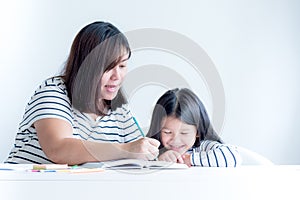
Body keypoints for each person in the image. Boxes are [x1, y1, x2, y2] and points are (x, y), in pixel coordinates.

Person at [5, 21, 159, 165]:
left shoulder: (119, 111)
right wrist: (126, 149)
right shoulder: (54, 91)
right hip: (25, 189)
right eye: (108, 67)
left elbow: (140, 153)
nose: (117, 76)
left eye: (123, 65)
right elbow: (58, 149)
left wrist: (163, 157)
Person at [147, 88, 241, 167]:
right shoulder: (153, 150)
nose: (176, 140)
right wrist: (158, 161)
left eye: (184, 133)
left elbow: (233, 156)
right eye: (167, 132)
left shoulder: (203, 148)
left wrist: (189, 159)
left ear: (197, 132)